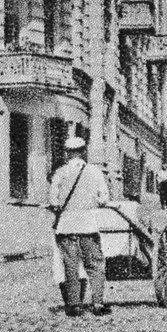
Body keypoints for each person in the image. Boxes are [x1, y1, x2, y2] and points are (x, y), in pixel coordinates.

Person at [48, 134, 110, 317]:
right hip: (88, 226)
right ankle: (98, 303)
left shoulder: (60, 173)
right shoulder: (94, 172)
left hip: (66, 226)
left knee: (70, 265)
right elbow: (104, 198)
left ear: (67, 153)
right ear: (83, 152)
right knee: (95, 264)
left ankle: (74, 305)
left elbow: (54, 201)